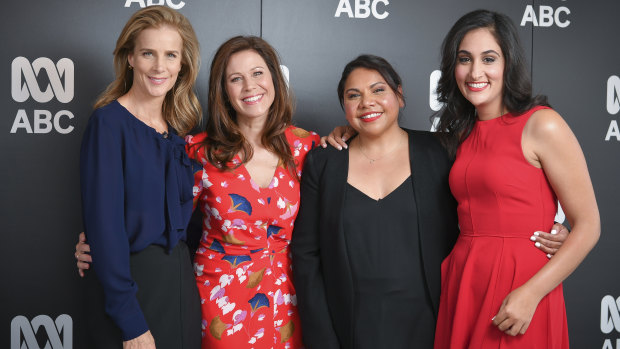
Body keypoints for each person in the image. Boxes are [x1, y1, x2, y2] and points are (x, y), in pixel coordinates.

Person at [297, 55, 570, 349]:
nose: (367, 102)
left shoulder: (443, 151)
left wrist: (553, 226)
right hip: (348, 329)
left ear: (399, 96)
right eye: (354, 95)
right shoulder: (324, 162)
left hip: (435, 324)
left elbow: (492, 197)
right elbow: (306, 256)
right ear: (344, 107)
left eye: (378, 90)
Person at [432, 9, 600, 348]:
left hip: (522, 284)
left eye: (489, 58)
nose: (475, 71)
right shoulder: (459, 134)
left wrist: (532, 294)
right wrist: (350, 133)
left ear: (509, 64)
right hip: (466, 277)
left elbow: (589, 225)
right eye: (465, 59)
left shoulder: (542, 124)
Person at [78, 6, 202, 349]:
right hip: (129, 290)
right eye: (149, 53)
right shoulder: (108, 124)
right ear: (130, 57)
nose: (160, 66)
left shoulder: (180, 133)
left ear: (182, 64)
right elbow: (106, 227)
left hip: (179, 285)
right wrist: (130, 323)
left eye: (170, 55)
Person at [185, 35, 319, 348]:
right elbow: (163, 222)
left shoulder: (307, 147)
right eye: (236, 78)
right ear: (223, 90)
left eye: (258, 73)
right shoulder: (199, 152)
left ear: (274, 77)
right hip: (221, 297)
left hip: (289, 296)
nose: (250, 86)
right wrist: (103, 244)